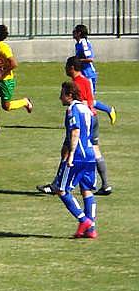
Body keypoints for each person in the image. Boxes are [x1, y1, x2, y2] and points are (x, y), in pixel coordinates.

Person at [37, 57, 111, 196]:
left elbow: (79, 102)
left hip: (82, 119)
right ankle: (106, 184)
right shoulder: (86, 80)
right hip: (92, 117)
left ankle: (57, 185)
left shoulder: (75, 84)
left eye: (66, 66)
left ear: (71, 67)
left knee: (67, 151)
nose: (64, 68)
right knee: (94, 150)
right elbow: (91, 100)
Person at [51, 81, 98, 238]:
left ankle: (84, 221)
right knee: (86, 189)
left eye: (62, 94)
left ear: (69, 95)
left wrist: (70, 154)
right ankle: (91, 230)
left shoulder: (72, 110)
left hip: (78, 155)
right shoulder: (87, 109)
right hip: (91, 155)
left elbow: (75, 131)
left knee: (60, 189)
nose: (60, 97)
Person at [0, 24, 33, 136]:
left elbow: (14, 64)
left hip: (6, 81)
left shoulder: (3, 47)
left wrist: (2, 74)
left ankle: (25, 102)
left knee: (6, 107)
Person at [73, 24, 117, 126]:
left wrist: (78, 61)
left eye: (75, 31)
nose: (73, 33)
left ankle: (109, 110)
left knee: (89, 100)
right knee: (81, 98)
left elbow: (90, 58)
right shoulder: (78, 44)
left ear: (79, 33)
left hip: (89, 75)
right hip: (82, 75)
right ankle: (83, 121)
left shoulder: (84, 43)